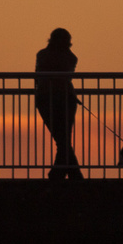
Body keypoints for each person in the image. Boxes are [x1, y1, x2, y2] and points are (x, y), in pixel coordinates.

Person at [34, 27, 83, 180]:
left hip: (45, 99)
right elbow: (66, 76)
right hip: (65, 99)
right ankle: (67, 174)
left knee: (62, 140)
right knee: (64, 139)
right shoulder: (71, 57)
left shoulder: (42, 55)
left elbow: (38, 76)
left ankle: (61, 173)